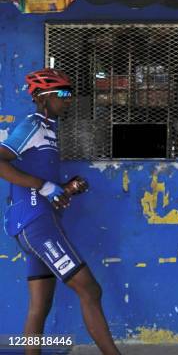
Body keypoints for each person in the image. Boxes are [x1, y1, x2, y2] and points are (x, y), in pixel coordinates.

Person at [0, 68, 121, 355]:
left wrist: (64, 187)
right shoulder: (32, 124)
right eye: (63, 93)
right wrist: (43, 186)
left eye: (71, 93)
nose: (69, 99)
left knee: (39, 307)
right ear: (43, 97)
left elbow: (38, 178)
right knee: (90, 290)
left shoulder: (49, 130)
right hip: (36, 224)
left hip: (36, 223)